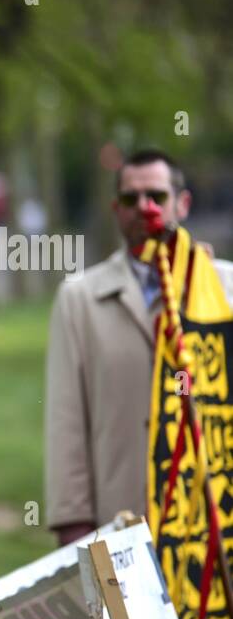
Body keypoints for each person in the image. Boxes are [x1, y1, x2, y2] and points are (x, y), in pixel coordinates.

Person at [45, 149, 233, 544]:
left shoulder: (225, 288)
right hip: (120, 522)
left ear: (182, 203)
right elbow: (66, 420)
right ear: (116, 209)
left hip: (212, 517)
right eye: (130, 199)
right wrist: (72, 521)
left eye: (156, 196)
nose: (143, 207)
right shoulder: (78, 298)